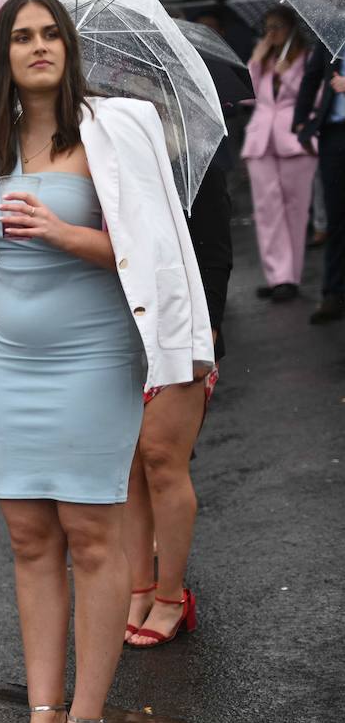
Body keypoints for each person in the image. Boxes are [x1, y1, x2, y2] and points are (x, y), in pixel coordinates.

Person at [0, 0, 212, 723]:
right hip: (11, 361)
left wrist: (59, 232)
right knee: (26, 538)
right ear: (4, 55)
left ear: (68, 47)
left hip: (94, 357)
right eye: (23, 36)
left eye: (52, 33)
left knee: (92, 535)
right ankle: (42, 712)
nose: (40, 46)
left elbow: (148, 250)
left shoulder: (116, 128)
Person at [123, 155, 232, 648]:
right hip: (117, 326)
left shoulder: (192, 154)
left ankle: (171, 597)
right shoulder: (96, 147)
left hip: (179, 325)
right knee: (127, 468)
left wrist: (205, 330)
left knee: (162, 459)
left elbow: (214, 244)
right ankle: (139, 589)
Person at [244, 6, 316, 304]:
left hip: (294, 141)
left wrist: (287, 77)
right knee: (266, 210)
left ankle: (291, 276)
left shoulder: (307, 58)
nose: (271, 34)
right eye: (267, 28)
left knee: (295, 209)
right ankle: (278, 277)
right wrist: (255, 63)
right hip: (261, 141)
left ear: (290, 29)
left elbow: (317, 98)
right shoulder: (265, 59)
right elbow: (246, 96)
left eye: (277, 27)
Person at [294, 41, 345, 324]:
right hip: (334, 133)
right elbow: (312, 76)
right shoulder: (331, 32)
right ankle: (333, 292)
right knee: (335, 216)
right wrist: (301, 121)